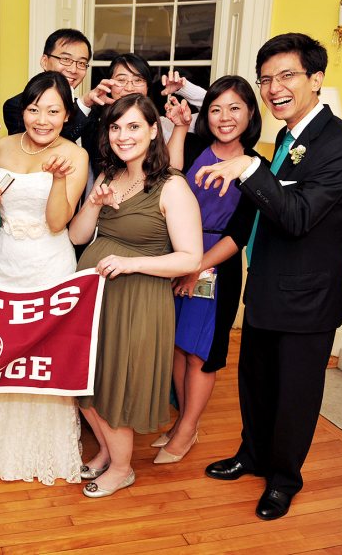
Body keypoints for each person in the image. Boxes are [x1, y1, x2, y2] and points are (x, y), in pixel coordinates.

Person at [195, 33, 342, 520]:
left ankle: (284, 479)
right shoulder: (288, 137)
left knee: (295, 396)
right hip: (269, 289)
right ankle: (252, 454)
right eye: (266, 78)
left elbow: (297, 217)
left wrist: (248, 169)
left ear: (316, 79)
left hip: (309, 301)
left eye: (286, 76)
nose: (273, 88)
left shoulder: (340, 146)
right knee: (256, 382)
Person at [0, 71, 88, 484]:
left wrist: (59, 178)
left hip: (48, 263)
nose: (41, 119)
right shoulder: (4, 145)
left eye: (53, 111)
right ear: (22, 110)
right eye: (34, 109)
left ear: (65, 116)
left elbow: (60, 222)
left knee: (41, 353)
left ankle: (38, 447)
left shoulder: (74, 157)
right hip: (6, 261)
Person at [67, 94, 202, 498]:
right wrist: (93, 202)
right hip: (95, 299)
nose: (123, 135)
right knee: (85, 382)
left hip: (138, 303)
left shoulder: (171, 185)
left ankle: (123, 467)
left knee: (116, 387)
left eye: (134, 126)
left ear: (152, 130)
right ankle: (107, 451)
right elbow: (76, 236)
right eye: (116, 126)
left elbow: (190, 258)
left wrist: (131, 264)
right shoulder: (109, 176)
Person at [149, 76, 260, 465]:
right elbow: (170, 174)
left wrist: (196, 266)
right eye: (215, 109)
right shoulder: (195, 145)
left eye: (234, 108)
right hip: (177, 256)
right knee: (178, 346)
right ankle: (182, 423)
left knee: (202, 354)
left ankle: (188, 429)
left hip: (217, 266)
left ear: (250, 113)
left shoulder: (254, 166)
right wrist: (180, 127)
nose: (224, 117)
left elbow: (239, 235)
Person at [2, 29, 94, 140]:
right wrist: (84, 105)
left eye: (81, 63)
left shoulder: (88, 110)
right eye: (65, 59)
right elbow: (42, 148)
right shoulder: (16, 105)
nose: (73, 69)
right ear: (45, 62)